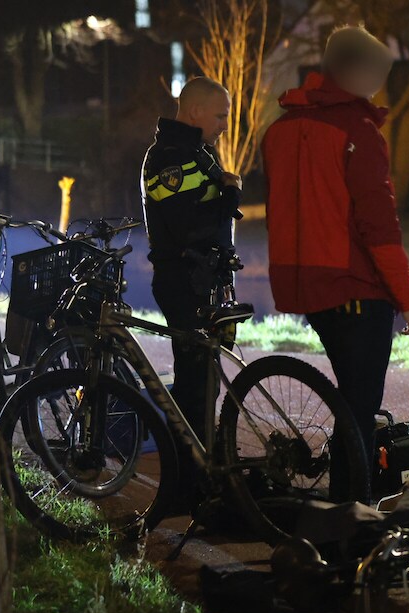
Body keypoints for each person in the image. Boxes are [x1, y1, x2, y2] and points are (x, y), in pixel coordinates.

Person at [262, 26, 409, 497]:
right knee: (358, 403)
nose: (378, 84)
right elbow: (378, 225)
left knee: (349, 399)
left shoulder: (281, 129)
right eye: (376, 73)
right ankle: (348, 511)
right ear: (356, 71)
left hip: (307, 284)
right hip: (355, 285)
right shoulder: (358, 132)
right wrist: (408, 302)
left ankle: (345, 504)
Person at [141, 76, 243, 473]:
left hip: (204, 279)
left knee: (204, 383)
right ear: (195, 110)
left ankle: (204, 468)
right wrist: (230, 194)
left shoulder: (198, 151)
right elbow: (186, 225)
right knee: (192, 386)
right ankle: (187, 478)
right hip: (183, 280)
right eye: (220, 115)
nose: (223, 124)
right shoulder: (168, 156)